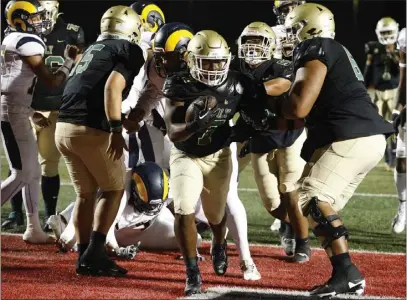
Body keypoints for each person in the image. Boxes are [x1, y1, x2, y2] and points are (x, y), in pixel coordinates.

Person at [272, 3, 394, 297]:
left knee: (313, 197)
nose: (288, 36)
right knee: (316, 205)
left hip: (352, 136)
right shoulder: (332, 48)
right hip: (362, 136)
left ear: (309, 28)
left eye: (293, 30)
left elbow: (299, 107)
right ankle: (346, 273)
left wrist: (270, 101)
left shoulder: (316, 46)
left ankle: (347, 273)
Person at [55, 5, 144, 277]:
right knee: (114, 189)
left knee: (85, 193)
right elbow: (112, 87)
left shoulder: (94, 49)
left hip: (64, 127)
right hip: (91, 128)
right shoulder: (128, 50)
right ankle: (95, 252)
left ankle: (84, 255)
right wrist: (116, 129)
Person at [163, 30, 250, 295]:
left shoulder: (237, 84)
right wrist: (194, 125)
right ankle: (192, 271)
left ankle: (219, 241)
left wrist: (248, 130)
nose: (213, 69)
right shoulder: (178, 84)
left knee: (215, 214)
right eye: (207, 62)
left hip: (219, 155)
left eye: (218, 62)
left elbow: (254, 114)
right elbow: (173, 130)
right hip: (186, 153)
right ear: (191, 60)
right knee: (183, 207)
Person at [1, 0, 86, 232]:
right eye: (36, 17)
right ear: (21, 19)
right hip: (20, 110)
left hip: (28, 108)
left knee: (38, 169)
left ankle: (36, 225)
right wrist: (68, 61)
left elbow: (12, 88)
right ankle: (22, 217)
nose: (40, 21)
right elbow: (51, 81)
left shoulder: (10, 37)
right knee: (22, 171)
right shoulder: (26, 40)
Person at [236, 21, 311, 263]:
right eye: (248, 43)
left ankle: (303, 242)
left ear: (270, 46)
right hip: (260, 139)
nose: (252, 48)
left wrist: (246, 91)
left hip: (289, 137)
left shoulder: (281, 65)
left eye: (258, 43)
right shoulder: (237, 71)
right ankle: (295, 224)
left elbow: (283, 85)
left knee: (290, 191)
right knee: (271, 203)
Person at [269, 0, 305, 234]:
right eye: (284, 9)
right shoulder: (271, 34)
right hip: (271, 110)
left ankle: (291, 222)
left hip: (302, 107)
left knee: (293, 172)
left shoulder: (311, 29)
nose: (290, 13)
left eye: (293, 6)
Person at [364, 17, 400, 170]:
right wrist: (365, 86)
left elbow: (400, 71)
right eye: (383, 32)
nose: (386, 35)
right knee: (380, 128)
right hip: (378, 92)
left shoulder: (400, 48)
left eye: (388, 32)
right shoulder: (374, 48)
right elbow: (368, 71)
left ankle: (398, 156)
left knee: (396, 127)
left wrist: (395, 56)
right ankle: (387, 159)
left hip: (394, 92)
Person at [391, 27, 406, 233]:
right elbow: (404, 83)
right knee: (402, 161)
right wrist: (396, 111)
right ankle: (403, 206)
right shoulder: (404, 38)